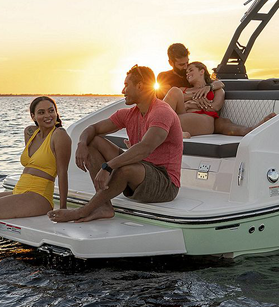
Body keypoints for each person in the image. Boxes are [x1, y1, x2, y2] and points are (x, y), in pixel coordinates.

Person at [48, 65, 183, 223]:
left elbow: (145, 148)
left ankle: (82, 212)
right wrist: (82, 144)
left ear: (140, 86)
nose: (123, 90)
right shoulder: (129, 114)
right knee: (94, 141)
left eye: (126, 85)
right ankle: (104, 206)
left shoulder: (161, 112)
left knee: (126, 169)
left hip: (165, 183)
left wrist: (108, 167)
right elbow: (93, 128)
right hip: (140, 170)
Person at [158, 43, 276, 136]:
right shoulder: (165, 78)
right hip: (178, 111)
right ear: (171, 63)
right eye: (182, 65)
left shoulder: (208, 84)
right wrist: (195, 98)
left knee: (223, 122)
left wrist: (209, 87)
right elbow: (169, 96)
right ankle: (164, 128)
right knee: (174, 93)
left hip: (202, 116)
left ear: (201, 71)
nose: (186, 69)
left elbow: (219, 86)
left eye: (188, 65)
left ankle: (255, 129)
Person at [0, 96, 71, 219]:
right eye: (41, 112)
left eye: (51, 110)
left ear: (56, 112)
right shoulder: (30, 133)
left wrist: (63, 208)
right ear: (33, 116)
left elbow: (62, 172)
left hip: (39, 196)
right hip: (19, 190)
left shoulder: (59, 135)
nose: (47, 115)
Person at [164, 61, 224, 138]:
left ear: (202, 71)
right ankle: (174, 131)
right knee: (174, 91)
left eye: (191, 70)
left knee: (166, 121)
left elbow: (216, 107)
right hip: (183, 113)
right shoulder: (183, 90)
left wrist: (195, 104)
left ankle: (169, 129)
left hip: (204, 118)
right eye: (186, 73)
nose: (187, 74)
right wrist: (188, 105)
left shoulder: (216, 89)